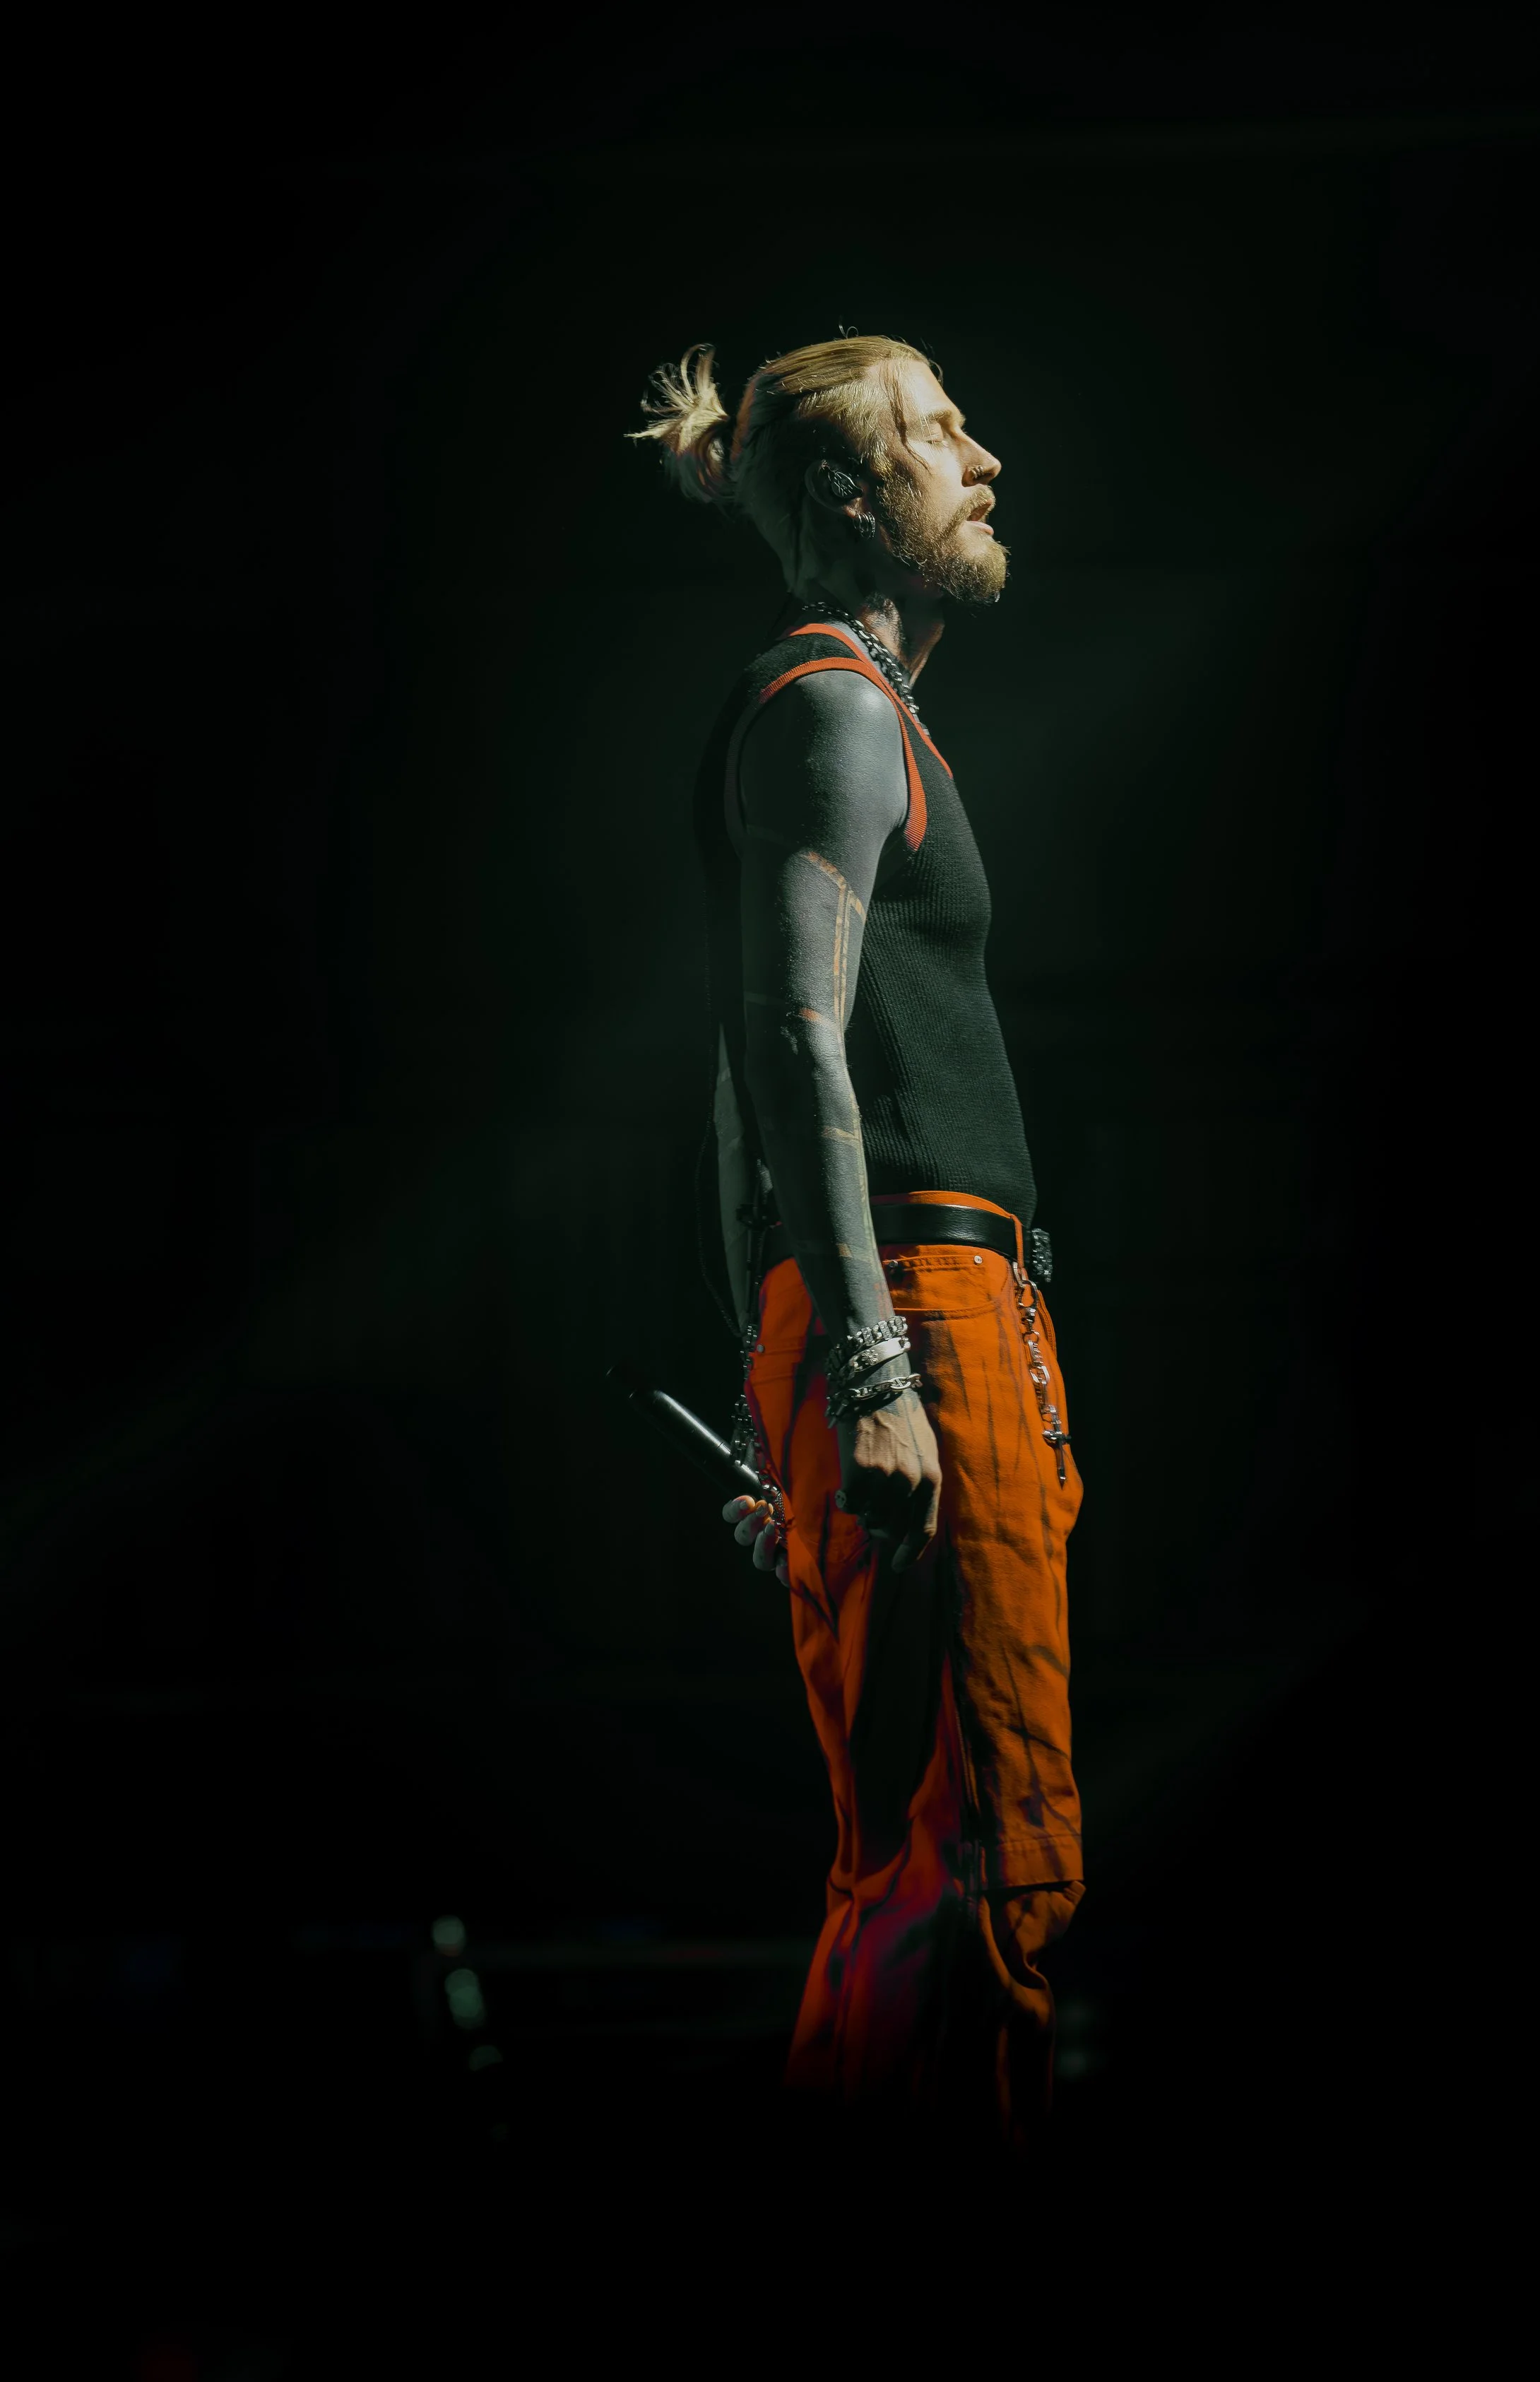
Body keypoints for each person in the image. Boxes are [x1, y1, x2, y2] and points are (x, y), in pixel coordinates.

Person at [629, 334, 1084, 2159]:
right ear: (842, 494)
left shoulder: (862, 717)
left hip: (905, 1309)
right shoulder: (824, 704)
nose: (979, 456)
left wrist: (788, 1370)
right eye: (933, 430)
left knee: (935, 1854)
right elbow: (786, 1037)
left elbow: (751, 1062)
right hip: (924, 1309)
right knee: (978, 1857)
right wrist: (869, 1362)